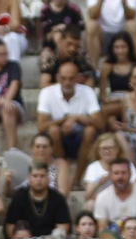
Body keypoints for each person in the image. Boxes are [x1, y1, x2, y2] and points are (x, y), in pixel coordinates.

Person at [37, 59, 102, 193]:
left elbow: (101, 124)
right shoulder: (47, 92)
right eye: (64, 78)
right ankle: (64, 175)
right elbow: (41, 126)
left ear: (78, 78)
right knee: (53, 131)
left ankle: (77, 180)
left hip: (81, 140)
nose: (67, 82)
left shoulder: (87, 91)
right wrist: (67, 119)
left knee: (90, 131)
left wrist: (76, 119)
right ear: (57, 78)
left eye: (71, 78)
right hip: (57, 141)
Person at [93, 155, 136, 235]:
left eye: (124, 173)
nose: (120, 177)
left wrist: (135, 221)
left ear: (130, 174)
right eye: (116, 173)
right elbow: (102, 228)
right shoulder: (102, 196)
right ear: (110, 175)